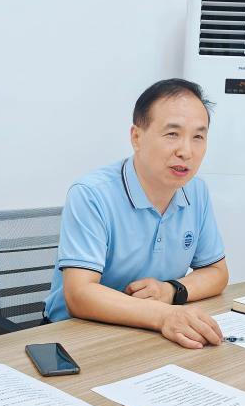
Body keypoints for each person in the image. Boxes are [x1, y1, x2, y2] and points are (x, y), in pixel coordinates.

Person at [42, 78, 229, 348]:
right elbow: (79, 294)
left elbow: (217, 272)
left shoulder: (196, 191)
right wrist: (164, 314)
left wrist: (170, 290)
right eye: (172, 134)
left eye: (198, 137)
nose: (186, 151)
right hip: (76, 339)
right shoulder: (92, 194)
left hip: (149, 336)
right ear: (136, 137)